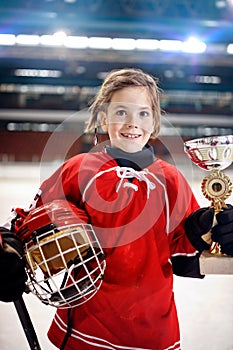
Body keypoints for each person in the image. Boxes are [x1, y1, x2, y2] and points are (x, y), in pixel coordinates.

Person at [1, 67, 233, 350]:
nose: (132, 123)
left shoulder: (171, 180)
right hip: (85, 328)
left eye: (143, 113)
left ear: (155, 122)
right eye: (121, 112)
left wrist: (213, 228)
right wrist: (7, 250)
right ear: (103, 117)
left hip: (152, 331)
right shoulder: (78, 170)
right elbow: (29, 224)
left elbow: (184, 253)